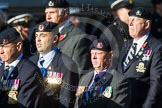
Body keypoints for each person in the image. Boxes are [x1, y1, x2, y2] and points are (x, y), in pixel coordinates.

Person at [117, 7, 162, 108]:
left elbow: (157, 83)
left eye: (135, 20)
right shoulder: (125, 46)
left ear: (146, 24)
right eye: (129, 20)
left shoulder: (156, 47)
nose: (130, 24)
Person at [30, 21, 79, 108]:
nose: (38, 40)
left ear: (55, 39)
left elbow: (66, 101)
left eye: (43, 36)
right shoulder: (30, 62)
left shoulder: (67, 65)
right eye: (36, 36)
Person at [74, 39, 131, 108]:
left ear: (110, 55)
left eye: (99, 53)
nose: (94, 57)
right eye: (92, 53)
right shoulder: (85, 78)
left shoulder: (119, 81)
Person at [44, 0, 93, 76]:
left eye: (52, 13)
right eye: (46, 13)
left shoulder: (79, 37)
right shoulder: (45, 35)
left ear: (65, 13)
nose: (48, 17)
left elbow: (79, 73)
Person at [0, 27, 44, 108]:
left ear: (19, 46)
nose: (1, 51)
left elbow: (26, 104)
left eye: (5, 46)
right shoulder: (1, 68)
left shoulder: (30, 72)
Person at [103, 0, 134, 69]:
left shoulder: (136, 29)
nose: (131, 11)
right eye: (128, 8)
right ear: (116, 12)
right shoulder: (111, 31)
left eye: (132, 8)